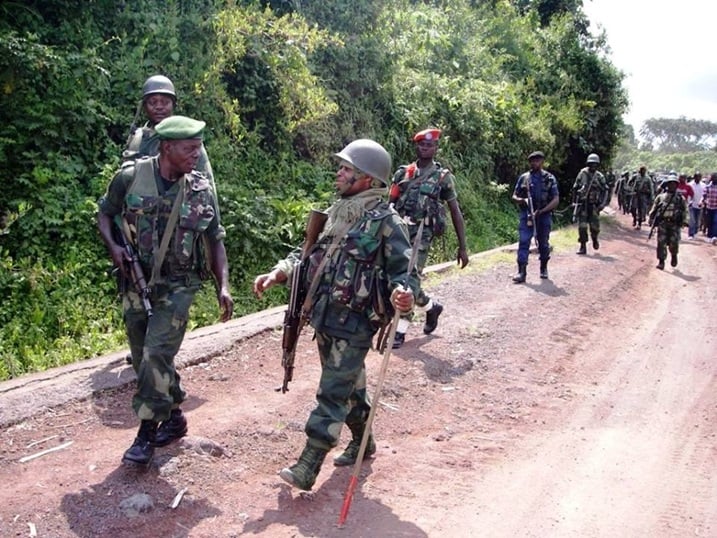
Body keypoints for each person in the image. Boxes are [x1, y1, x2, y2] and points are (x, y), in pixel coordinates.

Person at [253, 139, 419, 491]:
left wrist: (403, 295)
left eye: (346, 169)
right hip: (325, 317)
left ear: (367, 179)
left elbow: (405, 275)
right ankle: (364, 440)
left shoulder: (387, 223)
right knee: (349, 386)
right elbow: (307, 253)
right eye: (341, 167)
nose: (339, 173)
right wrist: (278, 273)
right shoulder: (338, 213)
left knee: (331, 392)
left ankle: (308, 465)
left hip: (356, 324)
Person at [97, 116, 234, 466]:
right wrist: (114, 248)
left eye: (199, 147)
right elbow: (104, 213)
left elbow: (215, 239)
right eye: (189, 148)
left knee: (156, 354)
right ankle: (174, 416)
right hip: (135, 278)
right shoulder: (130, 177)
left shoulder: (200, 189)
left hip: (179, 284)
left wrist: (224, 286)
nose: (197, 155)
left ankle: (146, 434)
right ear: (166, 147)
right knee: (145, 356)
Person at [120, 74, 220, 366]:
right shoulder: (139, 138)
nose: (159, 106)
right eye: (153, 101)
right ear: (145, 105)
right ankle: (145, 352)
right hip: (141, 226)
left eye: (165, 101)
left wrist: (214, 231)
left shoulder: (186, 139)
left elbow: (207, 189)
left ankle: (156, 358)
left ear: (174, 104)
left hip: (178, 228)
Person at [387, 128, 469, 348]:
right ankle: (432, 307)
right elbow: (389, 205)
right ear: (417, 146)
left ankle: (400, 330)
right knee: (396, 277)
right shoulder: (403, 173)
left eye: (430, 145)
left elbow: (455, 211)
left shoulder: (443, 177)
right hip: (398, 233)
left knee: (409, 279)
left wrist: (463, 247)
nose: (425, 148)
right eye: (422, 145)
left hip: (422, 235)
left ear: (436, 148)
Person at [511, 151, 559, 282]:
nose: (534, 163)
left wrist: (542, 211)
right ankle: (522, 272)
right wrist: (522, 200)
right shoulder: (524, 178)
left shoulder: (549, 178)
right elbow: (514, 196)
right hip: (527, 215)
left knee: (543, 244)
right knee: (524, 241)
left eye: (537, 160)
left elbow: (555, 199)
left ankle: (543, 267)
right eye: (532, 160)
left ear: (542, 161)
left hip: (543, 215)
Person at [572, 153, 609, 255]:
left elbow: (606, 190)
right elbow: (575, 187)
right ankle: (583, 246)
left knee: (595, 227)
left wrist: (603, 204)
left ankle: (595, 239)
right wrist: (574, 202)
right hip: (583, 204)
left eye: (595, 164)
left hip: (594, 206)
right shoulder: (582, 173)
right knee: (582, 227)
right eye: (591, 164)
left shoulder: (599, 176)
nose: (593, 166)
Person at [647, 176, 687, 269]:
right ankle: (661, 261)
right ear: (667, 185)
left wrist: (685, 221)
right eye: (670, 184)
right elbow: (654, 208)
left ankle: (674, 255)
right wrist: (651, 218)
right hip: (663, 223)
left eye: (674, 184)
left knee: (674, 243)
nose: (672, 186)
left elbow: (685, 210)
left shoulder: (680, 198)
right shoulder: (660, 197)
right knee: (661, 243)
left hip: (675, 224)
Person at [631, 165, 654, 229]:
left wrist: (652, 197)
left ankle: (639, 224)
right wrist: (633, 192)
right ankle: (634, 219)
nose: (642, 172)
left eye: (643, 171)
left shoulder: (648, 179)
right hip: (636, 195)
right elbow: (634, 186)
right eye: (641, 171)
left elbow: (651, 189)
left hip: (643, 196)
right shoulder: (637, 178)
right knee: (633, 208)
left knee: (641, 210)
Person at [687, 172, 704, 239]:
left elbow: (704, 195)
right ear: (694, 177)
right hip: (691, 205)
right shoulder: (690, 185)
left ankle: (695, 232)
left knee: (698, 221)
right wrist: (689, 202)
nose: (698, 178)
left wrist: (702, 202)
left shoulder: (703, 185)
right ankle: (691, 234)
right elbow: (688, 194)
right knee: (692, 220)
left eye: (699, 177)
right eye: (697, 177)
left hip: (700, 205)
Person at [701, 172, 717, 244]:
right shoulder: (708, 187)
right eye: (714, 177)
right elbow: (704, 196)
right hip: (709, 207)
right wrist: (701, 202)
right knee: (709, 222)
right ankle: (709, 236)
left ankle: (714, 236)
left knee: (715, 221)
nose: (715, 179)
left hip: (716, 208)